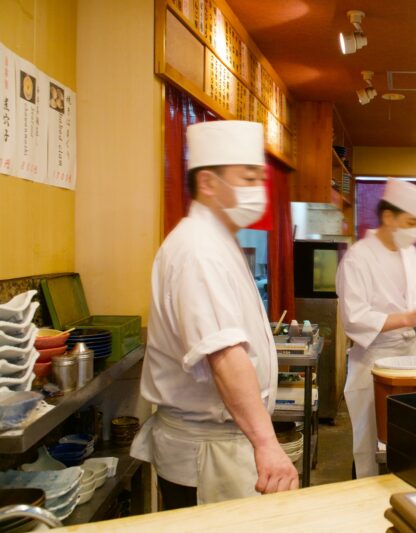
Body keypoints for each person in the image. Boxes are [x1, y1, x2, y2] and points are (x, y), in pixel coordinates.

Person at [131, 121, 298, 509]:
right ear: (207, 183)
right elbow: (224, 356)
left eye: (260, 177)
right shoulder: (197, 249)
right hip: (208, 452)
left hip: (223, 442)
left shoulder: (220, 241)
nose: (259, 189)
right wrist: (267, 444)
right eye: (248, 177)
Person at [336, 180, 416, 478]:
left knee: (407, 441)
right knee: (372, 443)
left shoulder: (409, 254)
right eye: (411, 223)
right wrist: (411, 318)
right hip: (374, 360)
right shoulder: (359, 257)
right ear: (388, 217)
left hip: (410, 358)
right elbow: (355, 318)